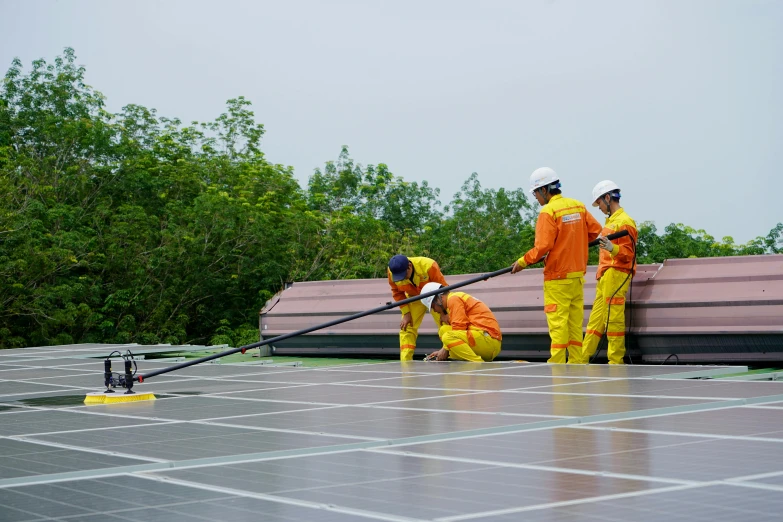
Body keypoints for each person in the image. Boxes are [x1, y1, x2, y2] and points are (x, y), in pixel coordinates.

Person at [511, 167, 602, 364]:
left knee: (558, 324)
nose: (535, 197)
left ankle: (558, 368)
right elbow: (595, 232)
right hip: (577, 277)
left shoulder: (548, 211)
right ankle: (577, 365)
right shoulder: (578, 206)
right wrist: (573, 243)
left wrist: (522, 262)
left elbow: (543, 246)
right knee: (574, 325)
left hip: (557, 279)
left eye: (535, 192)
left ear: (544, 190)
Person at [577, 180, 638, 365]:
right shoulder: (610, 223)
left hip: (617, 273)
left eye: (600, 203)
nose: (600, 208)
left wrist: (613, 248)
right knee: (596, 320)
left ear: (607, 198)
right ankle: (581, 358)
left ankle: (615, 361)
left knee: (613, 319)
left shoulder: (625, 222)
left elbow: (629, 255)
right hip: (606, 275)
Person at [420, 282, 502, 362]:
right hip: (484, 340)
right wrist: (442, 352)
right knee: (444, 330)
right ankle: (453, 357)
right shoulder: (455, 297)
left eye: (433, 306)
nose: (434, 310)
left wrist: (444, 349)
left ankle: (477, 363)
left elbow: (459, 328)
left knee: (448, 336)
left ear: (439, 298)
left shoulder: (453, 299)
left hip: (489, 341)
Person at [388, 255, 448, 361]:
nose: (403, 278)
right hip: (413, 298)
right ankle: (405, 362)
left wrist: (443, 311)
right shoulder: (392, 271)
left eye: (404, 274)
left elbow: (443, 290)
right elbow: (397, 293)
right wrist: (406, 313)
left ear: (409, 266)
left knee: (445, 323)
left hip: (434, 298)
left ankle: (448, 352)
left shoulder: (428, 266)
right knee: (406, 328)